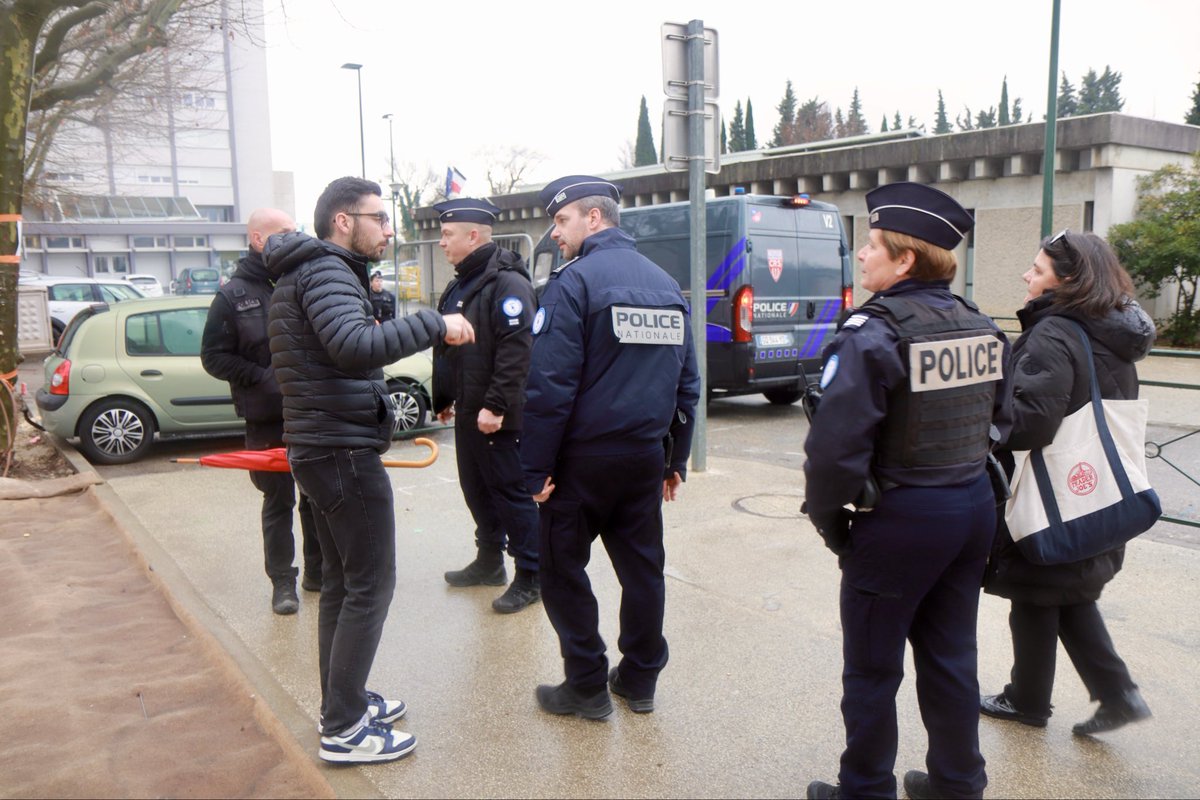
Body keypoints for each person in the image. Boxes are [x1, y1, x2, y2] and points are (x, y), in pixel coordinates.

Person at [803, 182, 1013, 800]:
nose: (860, 255)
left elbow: (835, 451)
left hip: (902, 515)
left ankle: (864, 789)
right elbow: (1002, 424)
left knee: (872, 667)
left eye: (871, 245)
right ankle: (957, 783)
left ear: (905, 260)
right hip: (970, 505)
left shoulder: (872, 332)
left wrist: (830, 521)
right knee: (951, 656)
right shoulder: (981, 325)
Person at [264, 177, 474, 764]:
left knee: (341, 582)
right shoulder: (327, 271)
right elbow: (354, 346)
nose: (388, 228)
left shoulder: (308, 271)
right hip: (340, 452)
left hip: (324, 446)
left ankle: (345, 701)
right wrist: (435, 323)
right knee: (370, 584)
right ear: (341, 221)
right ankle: (345, 730)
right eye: (378, 218)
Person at [521, 175, 700, 719]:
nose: (555, 235)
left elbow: (550, 387)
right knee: (643, 571)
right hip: (644, 458)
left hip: (583, 463)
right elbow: (687, 384)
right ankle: (640, 679)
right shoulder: (666, 284)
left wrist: (535, 470)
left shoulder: (574, 285)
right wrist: (676, 458)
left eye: (561, 222)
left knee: (561, 569)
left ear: (593, 218)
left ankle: (586, 685)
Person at [981, 230, 1154, 737]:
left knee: (1038, 591)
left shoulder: (1055, 332)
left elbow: (1032, 422)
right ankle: (1116, 695)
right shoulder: (1112, 328)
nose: (1026, 276)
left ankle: (1029, 701)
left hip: (1053, 487)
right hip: (1098, 486)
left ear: (1068, 279)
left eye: (1036, 269)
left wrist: (987, 433)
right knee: (1067, 592)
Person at [201, 207, 321, 615]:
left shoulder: (301, 279)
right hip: (267, 418)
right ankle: (283, 583)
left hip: (309, 413)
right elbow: (214, 358)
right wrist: (263, 377)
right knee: (277, 502)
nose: (295, 235)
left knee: (317, 498)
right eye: (285, 231)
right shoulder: (232, 296)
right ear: (258, 239)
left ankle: (318, 572)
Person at [432, 198, 541, 613]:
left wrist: (495, 405)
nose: (441, 243)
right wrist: (444, 397)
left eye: (447, 235)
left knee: (510, 494)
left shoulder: (507, 283)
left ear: (473, 235)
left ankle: (531, 574)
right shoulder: (462, 282)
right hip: (468, 410)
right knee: (476, 490)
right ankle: (489, 561)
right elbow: (447, 347)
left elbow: (518, 351)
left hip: (498, 415)